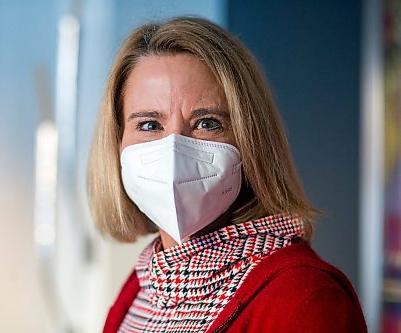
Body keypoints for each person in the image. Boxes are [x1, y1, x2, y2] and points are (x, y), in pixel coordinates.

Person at [88, 16, 367, 332]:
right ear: (117, 142)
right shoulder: (145, 286)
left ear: (252, 141)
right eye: (150, 125)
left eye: (207, 123)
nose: (174, 150)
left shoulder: (305, 298)